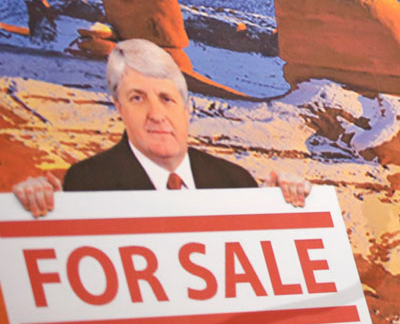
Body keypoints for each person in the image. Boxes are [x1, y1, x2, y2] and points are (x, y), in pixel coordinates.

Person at [13, 38, 310, 216]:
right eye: (137, 98)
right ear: (120, 109)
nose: (156, 114)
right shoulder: (88, 182)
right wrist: (33, 207)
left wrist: (283, 206)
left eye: (167, 99)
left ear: (186, 109)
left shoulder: (234, 180)